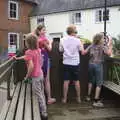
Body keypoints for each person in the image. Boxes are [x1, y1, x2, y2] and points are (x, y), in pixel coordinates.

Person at [13, 34, 48, 120]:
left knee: (39, 94)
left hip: (35, 77)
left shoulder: (28, 52)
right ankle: (43, 108)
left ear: (28, 43)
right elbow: (32, 59)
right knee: (42, 93)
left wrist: (27, 76)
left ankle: (44, 113)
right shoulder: (38, 50)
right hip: (40, 74)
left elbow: (31, 66)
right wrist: (18, 58)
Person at [84, 33, 112, 107]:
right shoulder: (103, 47)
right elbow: (109, 54)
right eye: (103, 38)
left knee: (90, 81)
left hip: (90, 64)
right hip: (98, 65)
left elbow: (84, 52)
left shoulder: (91, 45)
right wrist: (110, 45)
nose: (104, 39)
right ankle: (96, 101)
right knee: (99, 83)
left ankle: (88, 97)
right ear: (99, 39)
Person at [59, 25, 84, 103]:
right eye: (75, 31)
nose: (76, 32)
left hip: (66, 63)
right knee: (76, 81)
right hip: (75, 63)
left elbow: (60, 50)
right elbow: (81, 51)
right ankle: (79, 98)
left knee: (66, 81)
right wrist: (82, 43)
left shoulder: (62, 39)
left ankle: (64, 99)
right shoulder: (78, 40)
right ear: (73, 32)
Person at [35, 25, 56, 104]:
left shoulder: (35, 39)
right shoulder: (43, 39)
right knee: (46, 80)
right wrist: (48, 43)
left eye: (45, 30)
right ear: (39, 31)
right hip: (44, 59)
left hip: (38, 60)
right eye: (43, 30)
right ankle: (49, 99)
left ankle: (41, 99)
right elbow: (49, 49)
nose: (45, 32)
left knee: (39, 79)